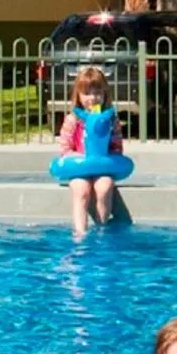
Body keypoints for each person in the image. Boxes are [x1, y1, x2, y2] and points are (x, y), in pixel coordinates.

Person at [57, 65, 124, 235]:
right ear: (78, 96)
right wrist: (81, 159)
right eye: (87, 93)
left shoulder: (110, 120)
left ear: (104, 94)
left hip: (101, 166)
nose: (93, 98)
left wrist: (108, 159)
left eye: (98, 93)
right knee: (81, 190)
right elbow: (64, 148)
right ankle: (80, 233)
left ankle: (102, 229)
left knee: (104, 186)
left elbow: (117, 147)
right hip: (80, 167)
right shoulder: (73, 120)